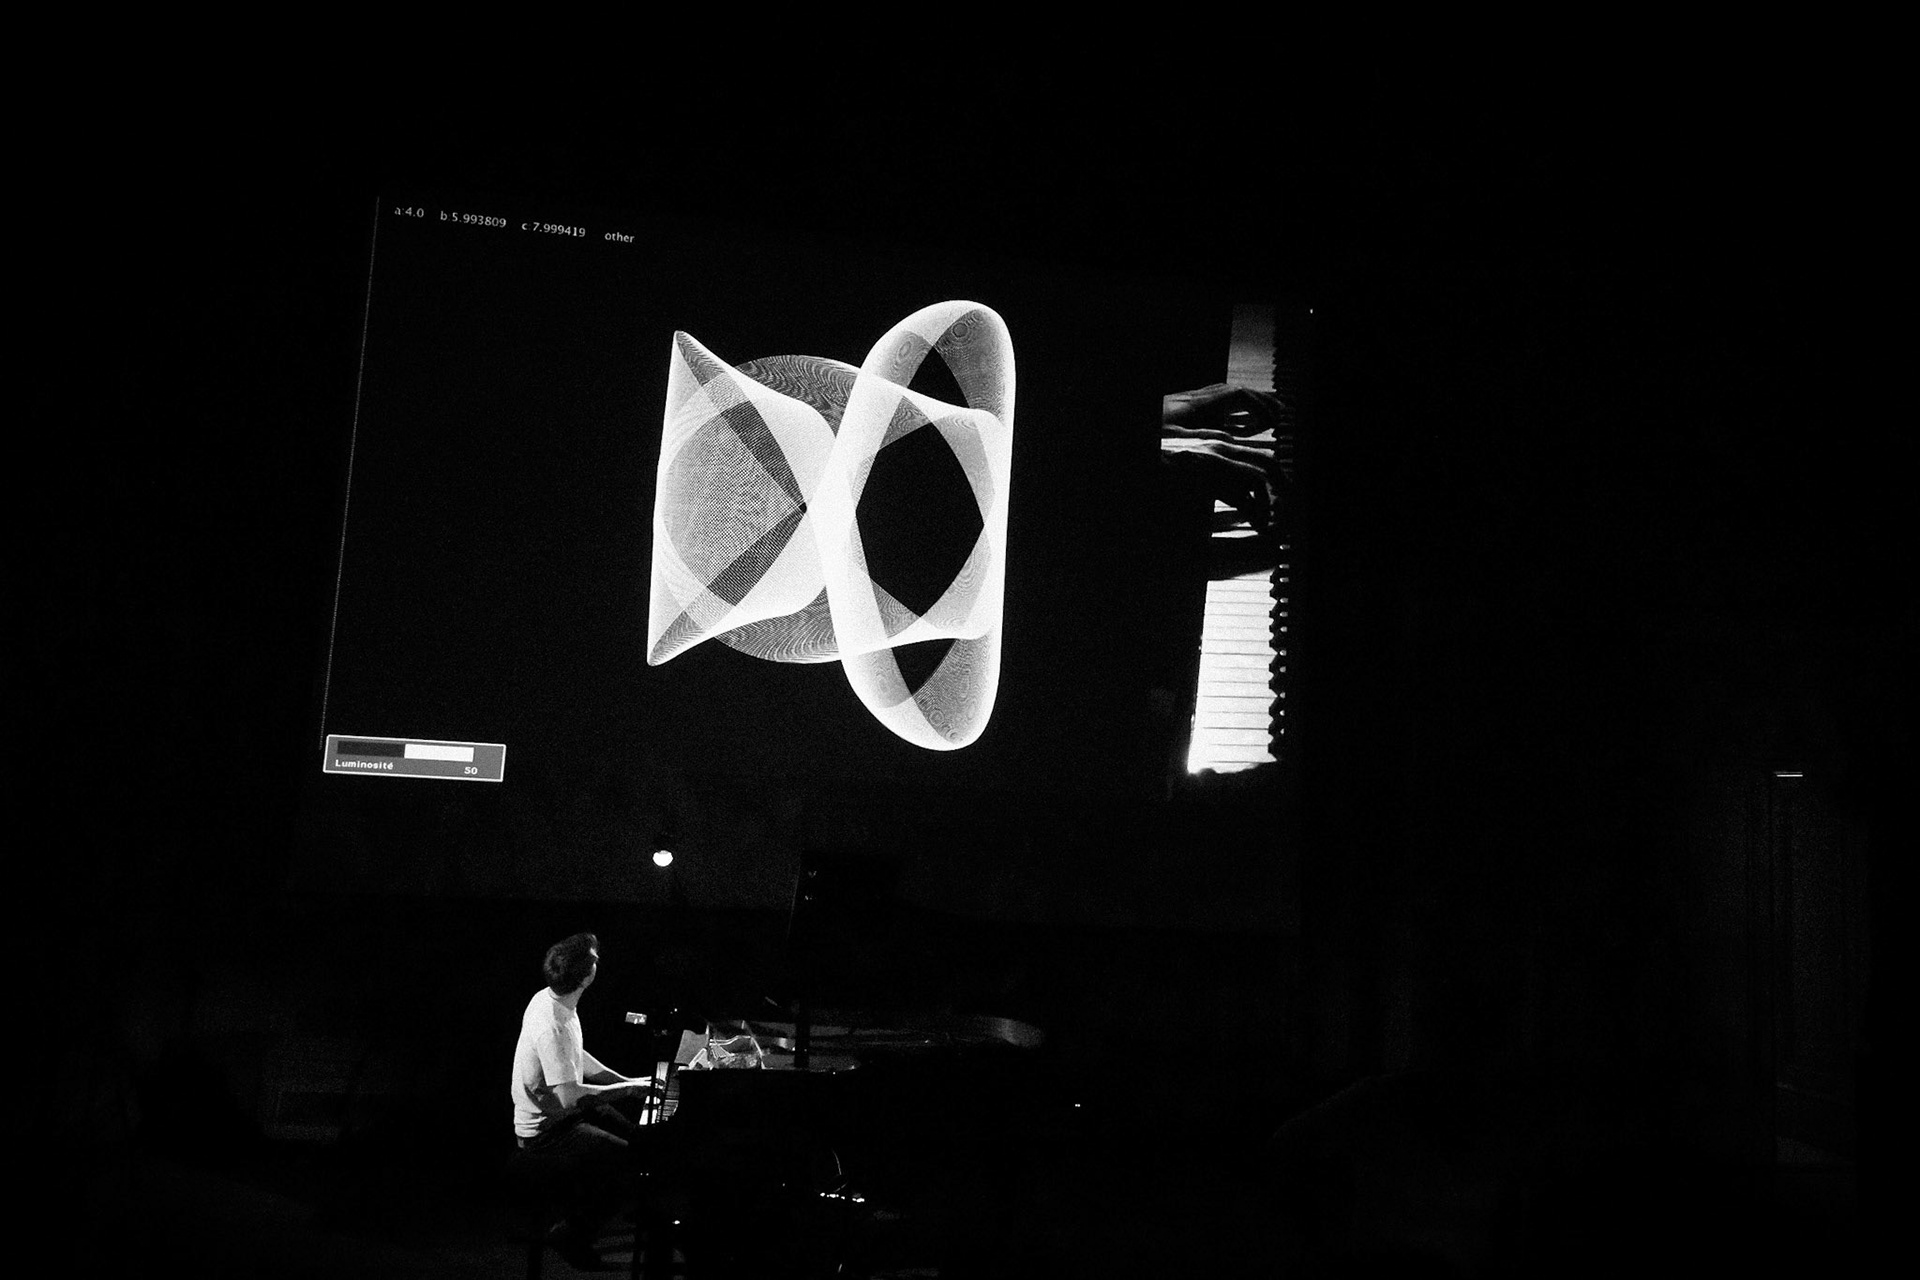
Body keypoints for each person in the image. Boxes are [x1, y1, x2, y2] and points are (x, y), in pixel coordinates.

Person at [507, 932, 655, 1268]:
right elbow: (570, 1097)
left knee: (641, 1140)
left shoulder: (550, 999)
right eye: (594, 959)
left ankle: (635, 1210)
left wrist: (627, 1081)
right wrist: (630, 1090)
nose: (598, 960)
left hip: (561, 1116)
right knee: (626, 1161)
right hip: (546, 1133)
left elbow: (575, 1056)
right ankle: (573, 1233)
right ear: (586, 977)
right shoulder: (552, 1025)